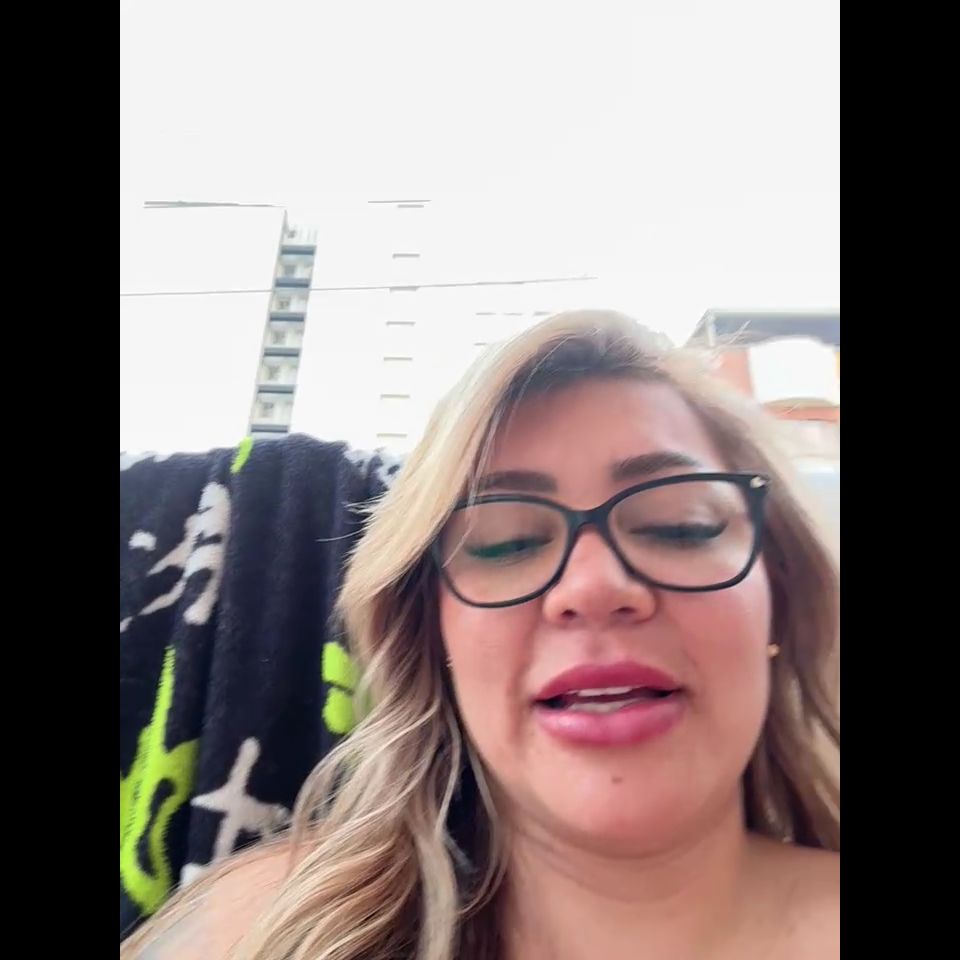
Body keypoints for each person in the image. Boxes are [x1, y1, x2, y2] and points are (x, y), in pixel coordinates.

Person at [122, 310, 840, 960]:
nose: (592, 587)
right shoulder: (256, 931)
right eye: (505, 541)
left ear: (778, 595)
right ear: (433, 639)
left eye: (677, 525)